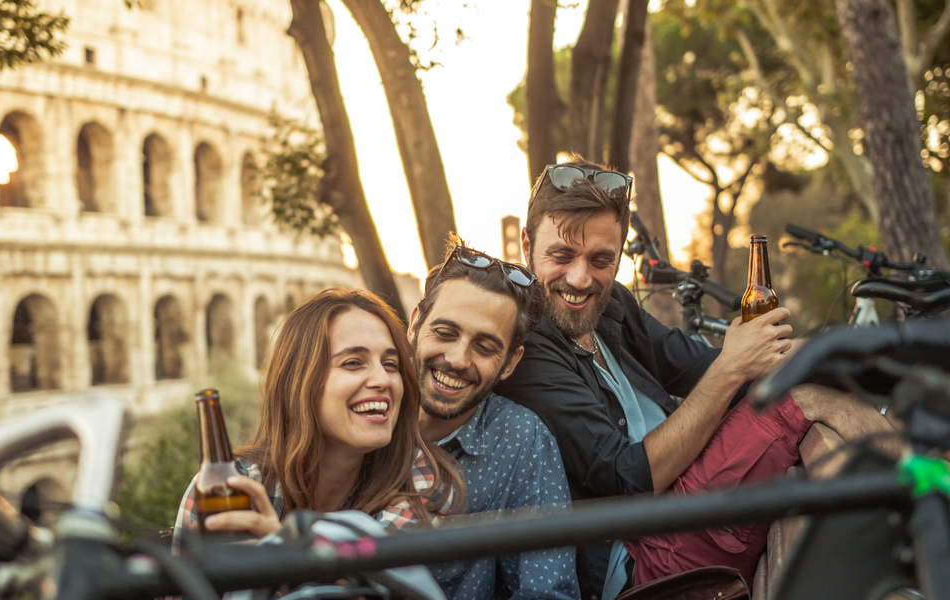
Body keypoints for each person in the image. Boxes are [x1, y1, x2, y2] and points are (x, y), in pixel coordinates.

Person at [495, 156, 895, 600]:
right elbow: (627, 482)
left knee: (812, 390)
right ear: (528, 244)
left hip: (686, 509)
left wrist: (825, 354)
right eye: (562, 255)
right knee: (805, 401)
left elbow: (698, 365)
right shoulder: (527, 345)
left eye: (601, 259)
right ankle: (931, 492)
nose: (580, 277)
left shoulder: (611, 307)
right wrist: (736, 366)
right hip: (637, 562)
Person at [172, 288, 465, 550]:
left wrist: (284, 558)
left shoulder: (422, 482)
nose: (382, 379)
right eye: (353, 363)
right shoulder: (230, 486)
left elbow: (374, 588)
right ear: (299, 382)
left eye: (391, 364)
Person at [407, 238, 580, 600]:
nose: (457, 358)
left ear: (511, 363)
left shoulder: (523, 439)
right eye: (445, 332)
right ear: (414, 324)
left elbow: (548, 592)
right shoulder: (361, 403)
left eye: (485, 347)